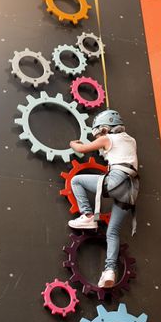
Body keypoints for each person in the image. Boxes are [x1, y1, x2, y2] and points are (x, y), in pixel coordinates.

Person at [68, 109, 139, 288]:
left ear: (106, 128)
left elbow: (83, 149)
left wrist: (73, 143)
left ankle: (87, 216)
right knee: (112, 232)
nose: (99, 137)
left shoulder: (108, 138)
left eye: (100, 132)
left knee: (77, 180)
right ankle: (109, 271)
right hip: (131, 191)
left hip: (116, 181)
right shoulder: (131, 140)